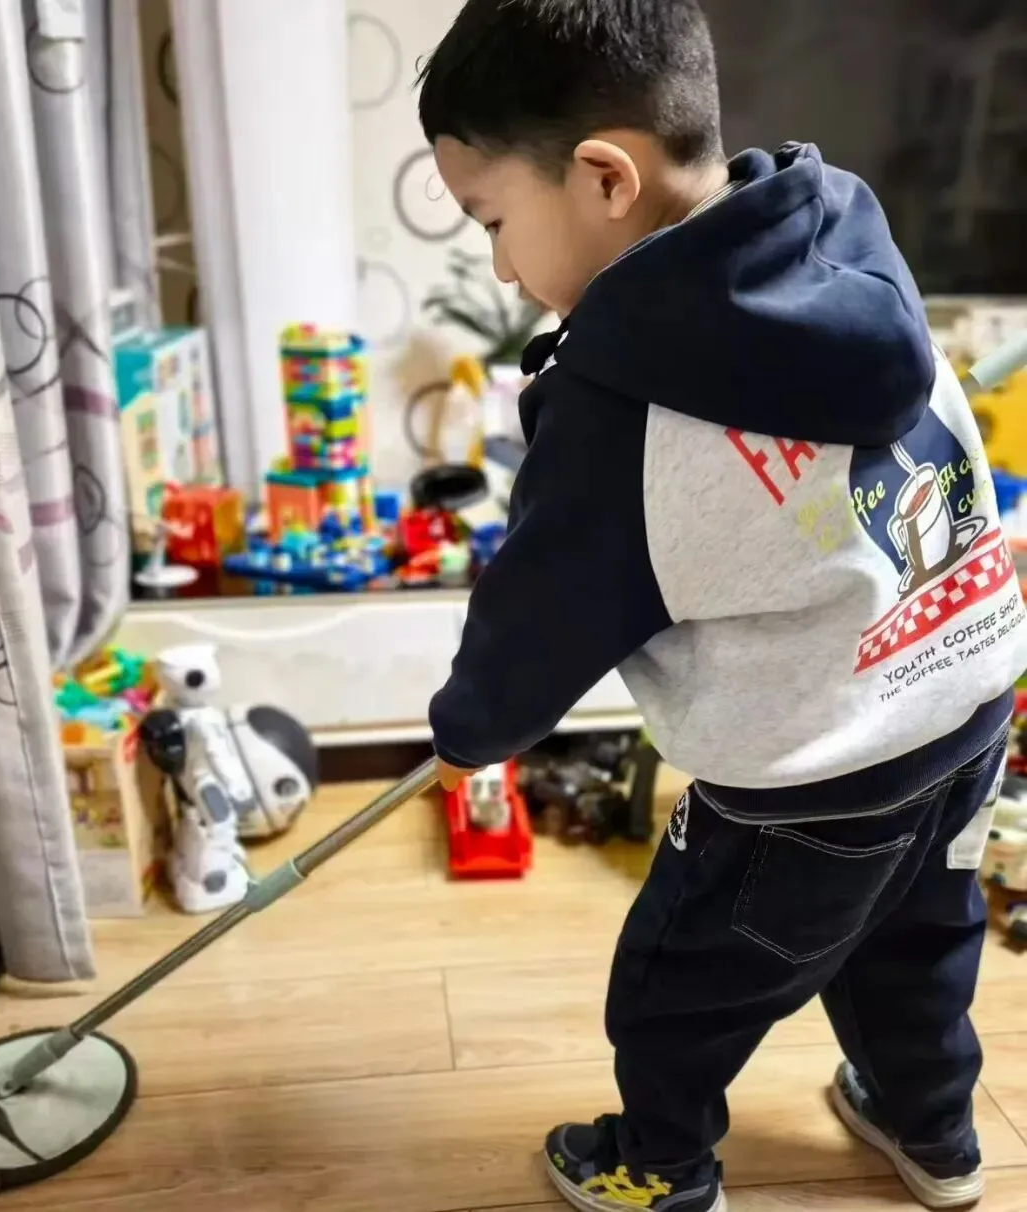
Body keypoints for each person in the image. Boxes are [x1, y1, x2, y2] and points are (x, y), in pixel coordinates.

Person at [417, 2, 1027, 1210]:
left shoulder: (616, 414)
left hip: (811, 782)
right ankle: (936, 1134)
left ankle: (658, 1163)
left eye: (492, 221)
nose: (500, 268)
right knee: (916, 946)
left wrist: (470, 731)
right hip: (966, 704)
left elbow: (539, 618)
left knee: (680, 985)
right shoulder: (843, 224)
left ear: (605, 179)